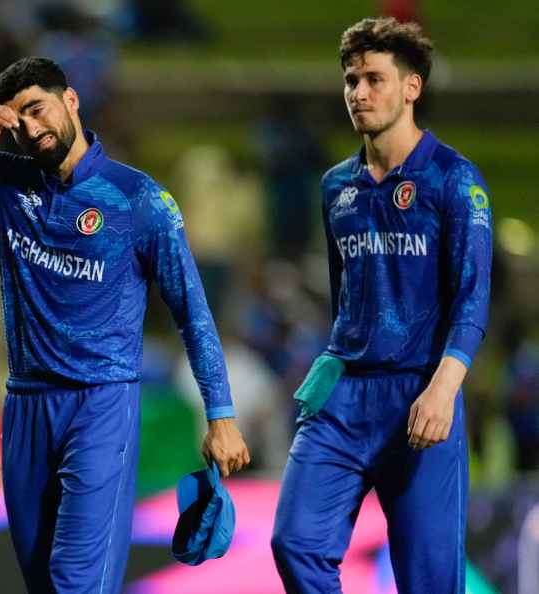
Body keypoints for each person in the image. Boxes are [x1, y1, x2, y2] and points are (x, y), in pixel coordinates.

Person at [0, 56, 249, 593]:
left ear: (70, 100)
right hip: (25, 406)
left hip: (101, 405)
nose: (30, 128)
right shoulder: (3, 184)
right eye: (16, 119)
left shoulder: (138, 199)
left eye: (37, 109)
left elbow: (192, 312)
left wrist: (220, 414)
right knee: (43, 582)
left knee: (77, 581)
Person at [270, 18, 492, 593]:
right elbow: (346, 291)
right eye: (351, 80)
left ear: (411, 87)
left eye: (374, 79)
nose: (358, 93)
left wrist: (444, 389)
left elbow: (472, 294)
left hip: (421, 392)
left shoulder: (453, 179)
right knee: (294, 542)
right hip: (342, 398)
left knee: (430, 580)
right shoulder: (334, 186)